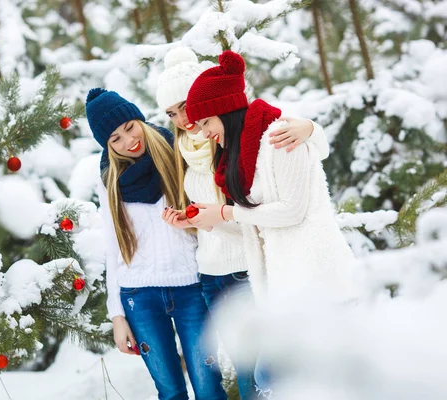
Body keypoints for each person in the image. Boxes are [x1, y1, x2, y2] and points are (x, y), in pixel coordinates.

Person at [156, 47, 331, 399]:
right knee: (251, 372)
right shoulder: (185, 149)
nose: (183, 120)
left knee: (270, 371)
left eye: (185, 108)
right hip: (214, 271)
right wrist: (196, 221)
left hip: (252, 267)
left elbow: (290, 182)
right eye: (172, 113)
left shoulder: (242, 139)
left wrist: (312, 129)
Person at [185, 49, 356, 308]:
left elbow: (291, 212)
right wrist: (210, 221)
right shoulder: (238, 158)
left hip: (320, 283)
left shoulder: (278, 138)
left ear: (227, 109)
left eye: (206, 122)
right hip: (284, 291)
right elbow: (256, 232)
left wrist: (226, 212)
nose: (204, 133)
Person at [85, 87, 227, 400]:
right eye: (115, 139)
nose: (128, 141)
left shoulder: (177, 151)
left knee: (208, 389)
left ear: (139, 119)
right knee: (170, 392)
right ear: (106, 145)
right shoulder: (109, 179)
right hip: (139, 295)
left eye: (129, 127)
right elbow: (114, 246)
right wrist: (117, 316)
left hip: (191, 286)